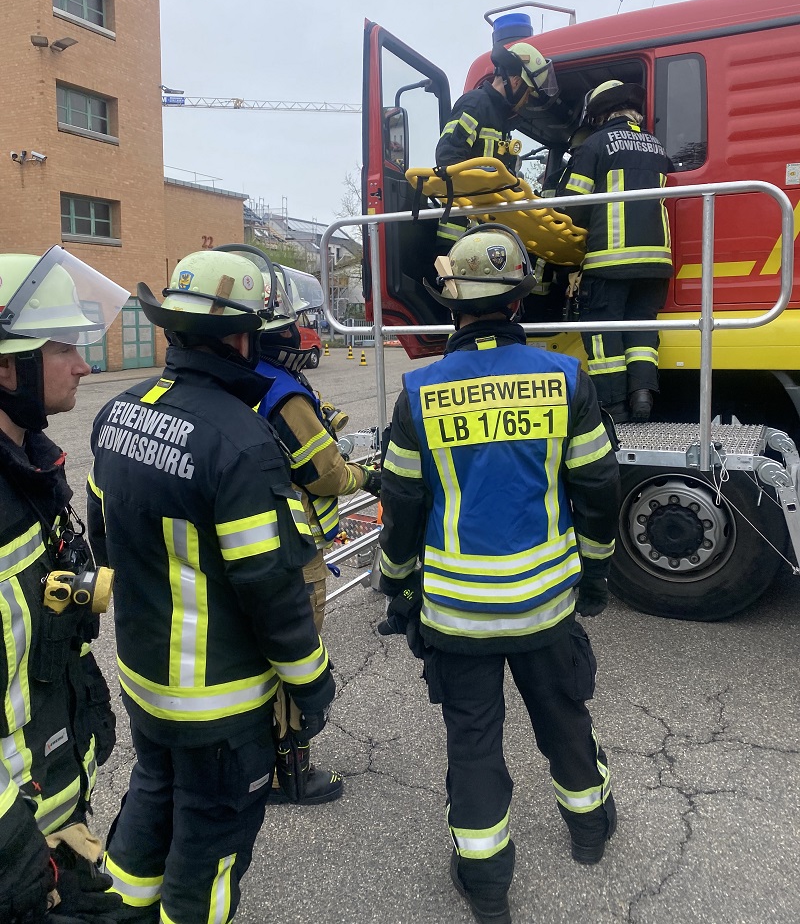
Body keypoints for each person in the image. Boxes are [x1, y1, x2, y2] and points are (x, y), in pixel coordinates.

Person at [377, 225, 621, 924]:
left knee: (474, 742)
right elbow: (598, 488)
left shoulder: (420, 391)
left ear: (453, 306)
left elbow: (402, 506)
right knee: (564, 719)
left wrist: (397, 587)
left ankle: (486, 885)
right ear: (520, 299)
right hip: (545, 605)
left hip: (458, 614)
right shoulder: (566, 378)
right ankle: (591, 830)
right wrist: (596, 577)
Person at [87, 250, 335, 924]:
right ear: (240, 338)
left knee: (149, 807)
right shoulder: (240, 441)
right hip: (219, 707)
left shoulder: (115, 415)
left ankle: (122, 914)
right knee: (210, 856)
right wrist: (313, 683)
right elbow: (271, 589)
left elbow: (102, 542)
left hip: (144, 684)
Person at [219, 244, 381, 804]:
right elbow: (326, 474)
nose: (300, 339)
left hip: (241, 539)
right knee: (296, 651)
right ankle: (291, 773)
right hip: (294, 547)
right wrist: (369, 478)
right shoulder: (281, 392)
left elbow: (307, 415)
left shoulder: (239, 381)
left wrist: (325, 414)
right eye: (292, 330)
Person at [0, 247, 128, 923]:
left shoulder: (30, 469)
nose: (83, 365)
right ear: (4, 366)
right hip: (16, 855)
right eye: (61, 348)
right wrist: (15, 859)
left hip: (54, 817)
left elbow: (47, 601)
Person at [557, 80, 673, 422]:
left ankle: (613, 410)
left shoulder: (594, 146)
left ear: (599, 114)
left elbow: (573, 205)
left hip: (610, 261)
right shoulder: (656, 146)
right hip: (655, 263)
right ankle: (641, 396)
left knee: (602, 332)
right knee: (641, 329)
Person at [434, 43, 558, 250]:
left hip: (483, 230)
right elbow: (448, 156)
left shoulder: (499, 117)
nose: (526, 100)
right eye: (527, 92)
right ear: (516, 81)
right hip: (461, 233)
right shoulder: (475, 105)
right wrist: (489, 177)